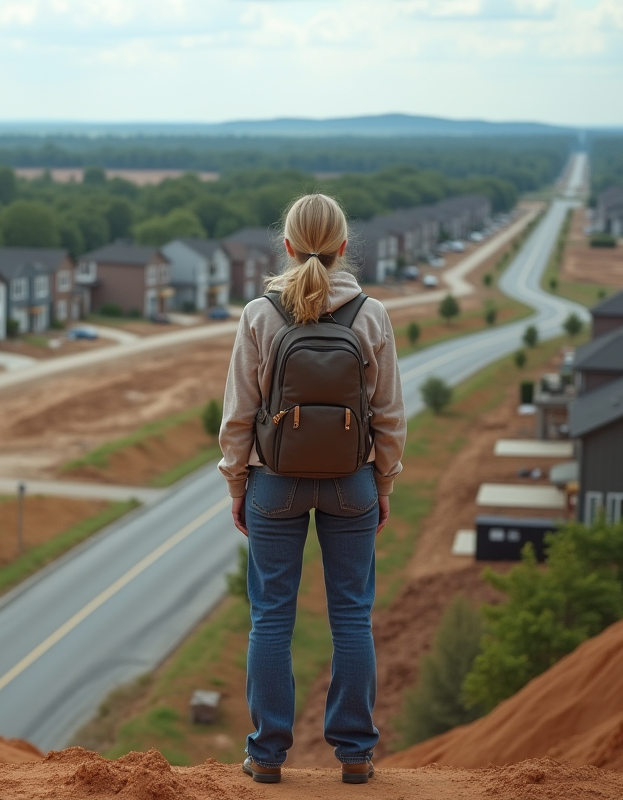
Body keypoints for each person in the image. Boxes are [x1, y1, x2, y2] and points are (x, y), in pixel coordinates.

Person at [219, 193, 406, 785]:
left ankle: (267, 756)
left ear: (289, 245)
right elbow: (391, 416)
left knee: (271, 619)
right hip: (351, 484)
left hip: (275, 484)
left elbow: (238, 417)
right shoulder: (371, 314)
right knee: (352, 618)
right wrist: (382, 483)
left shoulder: (259, 314)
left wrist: (236, 484)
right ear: (345, 247)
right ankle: (354, 754)